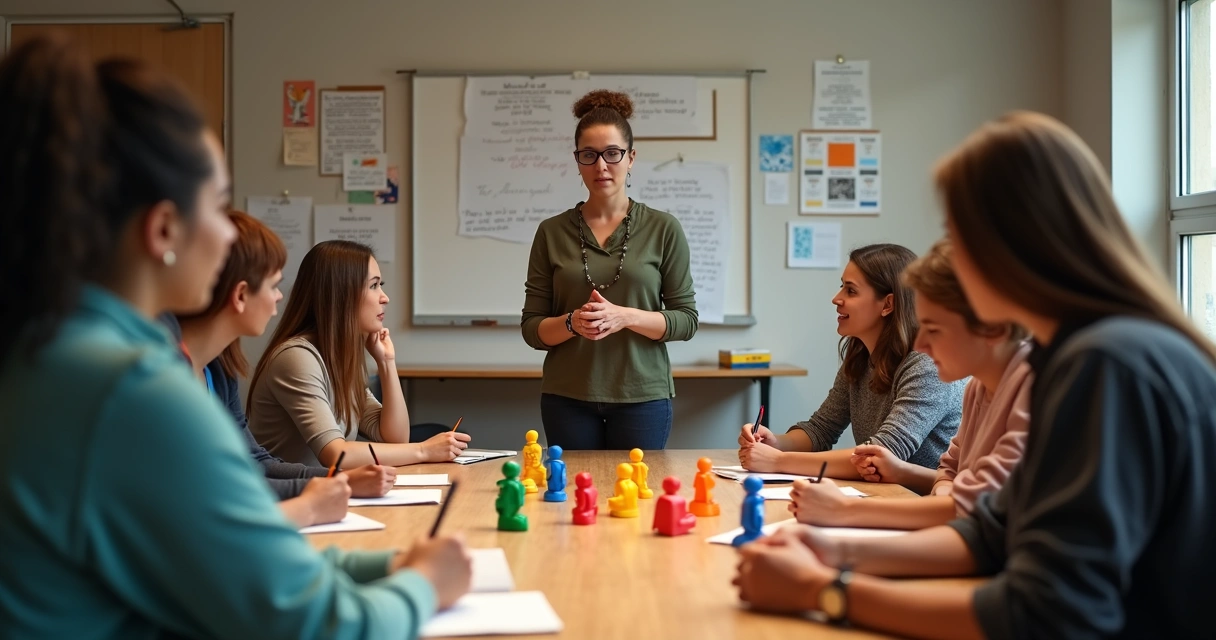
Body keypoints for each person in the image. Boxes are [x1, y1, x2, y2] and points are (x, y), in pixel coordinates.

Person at [0, 35, 470, 638]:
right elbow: (316, 625)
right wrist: (423, 586)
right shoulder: (131, 390)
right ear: (164, 228)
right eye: (219, 207)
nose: (230, 237)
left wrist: (391, 564)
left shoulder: (50, 349)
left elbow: (226, 560)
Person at [732, 111, 1216, 639]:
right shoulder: (1066, 355)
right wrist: (831, 547)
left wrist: (824, 590)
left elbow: (1047, 616)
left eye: (958, 238)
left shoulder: (1106, 364)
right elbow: (991, 532)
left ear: (1010, 245)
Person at [789, 238, 1030, 529]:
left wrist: (842, 510)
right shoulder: (979, 386)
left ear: (989, 325)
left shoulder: (1027, 389)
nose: (922, 343)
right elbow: (950, 476)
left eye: (934, 329)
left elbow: (968, 509)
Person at [173, 211, 396, 518]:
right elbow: (211, 488)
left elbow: (254, 463)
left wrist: (335, 481)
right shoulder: (166, 377)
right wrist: (326, 490)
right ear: (240, 295)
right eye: (273, 285)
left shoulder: (219, 369)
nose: (279, 297)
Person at [521, 89, 698, 450]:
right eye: (589, 155)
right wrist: (573, 322)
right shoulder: (551, 232)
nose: (601, 166)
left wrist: (625, 317)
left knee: (637, 501)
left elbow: (686, 320)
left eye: (612, 154)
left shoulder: (664, 228)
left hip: (643, 397)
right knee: (571, 499)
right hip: (567, 396)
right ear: (578, 161)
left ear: (631, 158)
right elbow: (532, 329)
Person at [738, 244, 965, 479]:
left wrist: (779, 461)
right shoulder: (860, 356)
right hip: (884, 497)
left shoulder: (927, 365)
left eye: (851, 291)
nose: (836, 299)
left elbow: (880, 456)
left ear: (887, 304)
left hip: (925, 505)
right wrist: (776, 443)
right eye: (841, 287)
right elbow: (821, 429)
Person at [247, 240, 471, 468]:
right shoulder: (296, 357)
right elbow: (336, 454)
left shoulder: (340, 359)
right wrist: (423, 450)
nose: (385, 297)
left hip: (324, 494)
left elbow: (395, 439)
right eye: (374, 286)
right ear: (341, 294)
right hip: (283, 499)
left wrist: (386, 363)